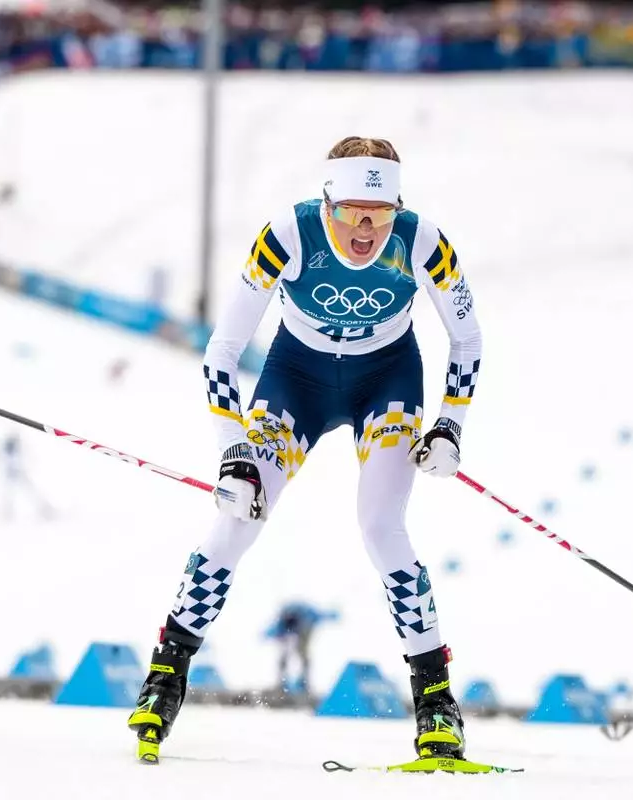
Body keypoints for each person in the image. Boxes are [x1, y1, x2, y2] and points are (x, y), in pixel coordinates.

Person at [127, 137, 483, 764]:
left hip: (387, 381)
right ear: (327, 204)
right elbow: (222, 351)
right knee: (238, 517)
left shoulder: (422, 240)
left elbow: (468, 338)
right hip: (297, 380)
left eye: (380, 213)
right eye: (351, 213)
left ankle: (436, 702)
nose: (366, 229)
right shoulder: (287, 235)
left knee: (381, 527)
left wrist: (450, 425)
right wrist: (233, 451)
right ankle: (166, 676)